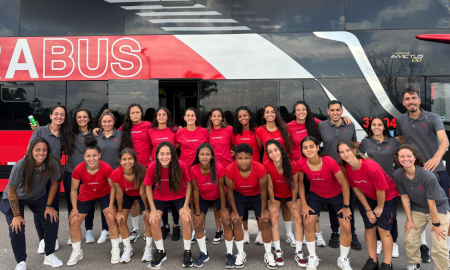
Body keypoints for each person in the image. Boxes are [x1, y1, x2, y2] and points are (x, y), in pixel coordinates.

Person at [396, 86, 450, 262]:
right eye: (407, 99)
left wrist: (435, 158)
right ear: (403, 102)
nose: (411, 101)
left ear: (419, 100)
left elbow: (444, 140)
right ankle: (423, 246)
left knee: (444, 211)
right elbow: (401, 140)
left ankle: (446, 247)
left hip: (437, 171)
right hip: (415, 173)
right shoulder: (401, 120)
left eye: (413, 98)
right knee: (417, 211)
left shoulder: (432, 118)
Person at [288, 101, 351, 247]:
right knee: (309, 204)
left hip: (319, 165)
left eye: (304, 109)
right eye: (298, 110)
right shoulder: (289, 126)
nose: (301, 112)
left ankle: (318, 234)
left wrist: (346, 117)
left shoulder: (316, 123)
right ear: (294, 112)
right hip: (301, 166)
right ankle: (308, 233)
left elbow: (333, 119)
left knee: (326, 196)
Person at [0, 138, 63, 269]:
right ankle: (21, 262)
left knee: (52, 219)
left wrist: (49, 206)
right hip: (15, 197)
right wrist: (17, 215)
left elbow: (54, 185)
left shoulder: (52, 163)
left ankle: (49, 255)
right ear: (30, 151)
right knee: (16, 227)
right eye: (37, 150)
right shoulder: (21, 165)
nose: (41, 153)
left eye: (44, 150)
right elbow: (11, 190)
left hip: (37, 197)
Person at [338, 140, 398, 270]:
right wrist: (368, 209)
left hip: (387, 197)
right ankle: (373, 260)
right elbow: (357, 189)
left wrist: (380, 207)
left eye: (347, 150)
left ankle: (387, 264)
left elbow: (381, 190)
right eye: (342, 152)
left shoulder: (371, 166)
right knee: (369, 228)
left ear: (354, 150)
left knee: (383, 230)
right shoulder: (347, 168)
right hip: (369, 197)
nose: (345, 154)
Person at [298, 136, 353, 270]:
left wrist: (346, 206)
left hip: (336, 194)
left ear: (317, 147)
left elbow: (345, 184)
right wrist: (304, 204)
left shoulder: (328, 161)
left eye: (311, 146)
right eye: (305, 147)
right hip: (316, 194)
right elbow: (299, 182)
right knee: (308, 223)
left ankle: (343, 259)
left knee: (346, 226)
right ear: (302, 151)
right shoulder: (301, 162)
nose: (308, 149)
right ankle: (312, 257)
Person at [393, 144, 450, 270]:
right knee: (409, 239)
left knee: (439, 245)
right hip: (418, 208)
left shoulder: (427, 175)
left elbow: (432, 203)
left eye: (409, 156)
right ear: (398, 159)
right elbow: (405, 197)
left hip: (438, 208)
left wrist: (436, 224)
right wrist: (409, 219)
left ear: (415, 158)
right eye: (402, 156)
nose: (405, 159)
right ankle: (414, 264)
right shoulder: (398, 174)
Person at [66, 136, 120, 266]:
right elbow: (73, 190)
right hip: (86, 195)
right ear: (84, 157)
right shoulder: (78, 169)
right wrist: (74, 208)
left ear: (99, 155)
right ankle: (77, 252)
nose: (92, 159)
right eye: (88, 156)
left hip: (104, 194)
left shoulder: (106, 167)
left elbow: (114, 188)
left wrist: (112, 205)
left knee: (112, 218)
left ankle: (116, 249)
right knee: (73, 222)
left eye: (94, 155)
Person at [223, 143, 277, 269]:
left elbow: (264, 190)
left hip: (257, 194)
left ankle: (268, 253)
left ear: (252, 157)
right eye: (240, 158)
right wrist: (234, 211)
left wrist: (264, 210)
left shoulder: (260, 168)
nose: (243, 161)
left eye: (246, 158)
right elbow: (229, 192)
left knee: (265, 220)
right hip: (239, 194)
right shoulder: (230, 169)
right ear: (235, 157)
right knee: (236, 221)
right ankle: (241, 253)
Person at [317, 100, 361, 250]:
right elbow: (317, 145)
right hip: (329, 171)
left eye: (338, 110)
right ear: (328, 111)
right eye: (332, 110)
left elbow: (354, 145)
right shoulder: (321, 126)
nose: (335, 112)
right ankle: (335, 232)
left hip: (347, 170)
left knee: (348, 204)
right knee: (333, 204)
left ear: (342, 111)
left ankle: (352, 233)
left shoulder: (350, 125)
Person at [29, 105, 71, 253]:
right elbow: (29, 150)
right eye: (56, 114)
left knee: (53, 206)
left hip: (54, 174)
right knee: (38, 206)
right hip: (38, 173)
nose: (59, 117)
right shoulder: (40, 131)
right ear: (51, 116)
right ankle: (42, 239)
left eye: (62, 115)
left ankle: (53, 238)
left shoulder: (65, 133)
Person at [144, 142, 193, 268]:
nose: (165, 156)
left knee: (186, 219)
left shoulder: (181, 165)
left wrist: (187, 205)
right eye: (162, 154)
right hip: (160, 196)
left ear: (172, 155)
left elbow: (189, 184)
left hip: (179, 194)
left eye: (168, 153)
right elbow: (148, 187)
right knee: (154, 221)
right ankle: (161, 251)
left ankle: (187, 251)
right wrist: (152, 209)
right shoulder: (152, 166)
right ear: (157, 155)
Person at [359, 117, 401, 258]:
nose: (376, 127)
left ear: (384, 127)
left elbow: (401, 159)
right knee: (375, 214)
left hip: (389, 184)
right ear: (370, 127)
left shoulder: (394, 142)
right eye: (374, 125)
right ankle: (378, 240)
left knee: (390, 215)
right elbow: (357, 155)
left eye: (379, 125)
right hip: (372, 185)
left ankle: (394, 243)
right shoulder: (366, 142)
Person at [256, 105, 294, 247]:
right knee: (271, 200)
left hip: (284, 167)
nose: (270, 114)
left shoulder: (285, 127)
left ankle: (289, 234)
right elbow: (260, 148)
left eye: (273, 112)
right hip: (268, 168)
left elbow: (288, 147)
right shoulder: (260, 130)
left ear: (276, 114)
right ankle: (272, 234)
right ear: (264, 115)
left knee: (285, 200)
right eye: (267, 112)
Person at [264, 140, 305, 267]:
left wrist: (294, 202)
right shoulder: (267, 164)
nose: (274, 153)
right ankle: (278, 251)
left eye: (275, 150)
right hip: (275, 194)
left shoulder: (292, 164)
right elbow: (270, 186)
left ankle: (298, 252)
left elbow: (295, 185)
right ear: (267, 154)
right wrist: (271, 203)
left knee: (298, 219)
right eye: (270, 152)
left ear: (281, 150)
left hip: (290, 194)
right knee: (274, 218)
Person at [109, 148, 154, 263]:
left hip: (141, 194)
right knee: (121, 220)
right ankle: (127, 247)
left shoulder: (142, 170)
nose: (127, 161)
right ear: (120, 161)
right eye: (124, 159)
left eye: (130, 158)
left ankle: (149, 247)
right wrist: (119, 211)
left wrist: (147, 209)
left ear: (135, 160)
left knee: (147, 218)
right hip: (126, 194)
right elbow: (119, 194)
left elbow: (143, 193)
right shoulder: (115, 173)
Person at [63, 109, 100, 245]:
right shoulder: (70, 133)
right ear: (76, 119)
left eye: (85, 116)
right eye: (79, 117)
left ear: (89, 118)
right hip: (71, 171)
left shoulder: (96, 133)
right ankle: (72, 230)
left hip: (89, 172)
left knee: (89, 201)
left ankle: (89, 231)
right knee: (71, 203)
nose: (82, 119)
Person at [190, 143, 229, 267]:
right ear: (198, 156)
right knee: (198, 223)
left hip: (219, 196)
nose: (205, 157)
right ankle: (203, 253)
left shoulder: (219, 167)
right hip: (202, 197)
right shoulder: (194, 169)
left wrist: (223, 209)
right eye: (202, 154)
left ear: (212, 156)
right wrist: (196, 212)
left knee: (227, 222)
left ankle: (229, 254)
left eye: (208, 154)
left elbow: (222, 189)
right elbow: (195, 191)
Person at [119, 103, 152, 243]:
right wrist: (97, 129)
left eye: (137, 112)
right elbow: (110, 132)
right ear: (129, 114)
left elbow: (163, 131)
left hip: (146, 167)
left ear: (141, 113)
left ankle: (148, 229)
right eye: (132, 113)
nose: (135, 115)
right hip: (131, 167)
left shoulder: (148, 125)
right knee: (133, 201)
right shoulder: (125, 127)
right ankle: (135, 229)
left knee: (145, 199)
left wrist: (178, 128)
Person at [148, 107, 180, 240]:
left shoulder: (175, 130)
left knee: (173, 194)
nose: (161, 117)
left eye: (164, 114)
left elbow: (178, 145)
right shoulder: (150, 131)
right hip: (157, 168)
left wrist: (169, 156)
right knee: (161, 196)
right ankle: (165, 225)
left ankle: (176, 226)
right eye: (159, 115)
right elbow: (150, 146)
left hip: (172, 167)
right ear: (156, 117)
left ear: (168, 117)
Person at [233, 106, 262, 244]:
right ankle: (245, 232)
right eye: (240, 116)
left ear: (250, 116)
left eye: (245, 115)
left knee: (258, 203)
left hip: (255, 169)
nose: (242, 118)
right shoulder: (235, 133)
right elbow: (234, 149)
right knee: (242, 204)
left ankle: (260, 233)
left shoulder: (256, 131)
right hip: (240, 170)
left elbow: (260, 147)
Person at [206, 107, 235, 244]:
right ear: (210, 118)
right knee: (218, 202)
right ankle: (219, 230)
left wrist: (233, 152)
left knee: (229, 200)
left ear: (222, 118)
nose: (216, 118)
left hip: (228, 168)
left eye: (219, 116)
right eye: (214, 116)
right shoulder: (207, 132)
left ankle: (231, 228)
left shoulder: (229, 129)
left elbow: (235, 144)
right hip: (214, 169)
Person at [95, 109, 123, 244]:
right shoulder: (96, 136)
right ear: (100, 123)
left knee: (118, 202)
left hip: (118, 174)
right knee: (105, 203)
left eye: (109, 121)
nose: (107, 124)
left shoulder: (121, 135)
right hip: (102, 174)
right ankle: (105, 230)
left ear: (114, 122)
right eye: (104, 121)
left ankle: (120, 229)